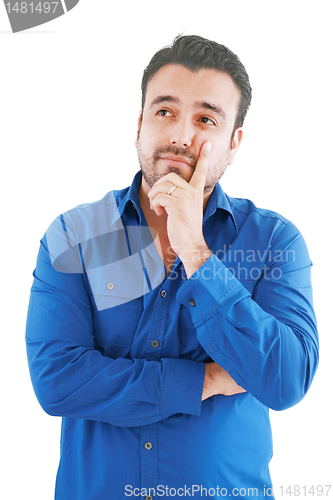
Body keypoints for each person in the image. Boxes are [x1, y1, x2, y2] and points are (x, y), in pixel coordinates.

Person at [25, 35, 319, 500]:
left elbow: (285, 380)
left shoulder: (274, 242)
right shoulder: (73, 236)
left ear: (233, 142)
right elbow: (57, 381)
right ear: (140, 122)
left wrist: (197, 253)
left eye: (206, 119)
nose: (182, 134)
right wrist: (204, 380)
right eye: (165, 111)